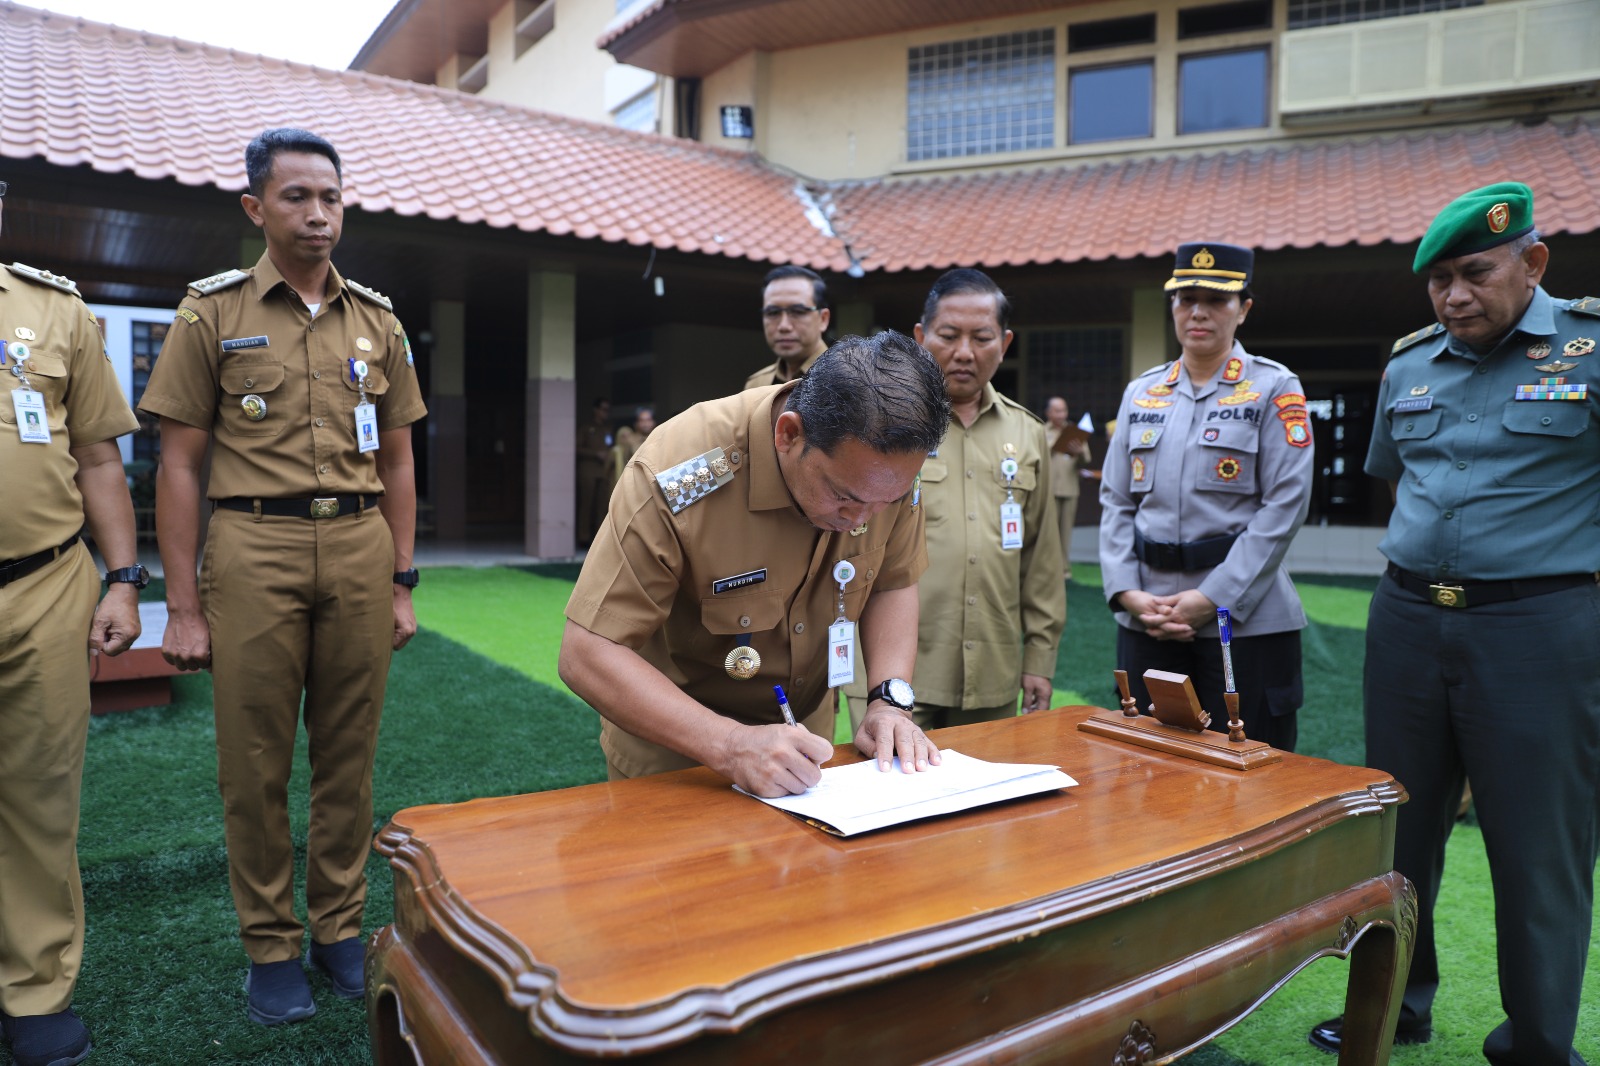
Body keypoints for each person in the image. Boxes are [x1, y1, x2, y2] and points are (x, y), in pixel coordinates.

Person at [139, 128, 426, 1026]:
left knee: (348, 751)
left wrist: (403, 581)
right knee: (254, 760)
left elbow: (403, 465)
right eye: (298, 197)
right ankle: (270, 944)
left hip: (357, 544)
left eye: (331, 197)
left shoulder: (377, 321)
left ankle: (338, 928)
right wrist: (179, 607)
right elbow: (178, 466)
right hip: (252, 547)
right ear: (256, 208)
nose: (318, 213)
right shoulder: (211, 314)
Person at [1308, 183, 1600, 1065]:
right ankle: (1395, 1006)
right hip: (1405, 623)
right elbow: (1399, 481)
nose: (1454, 296)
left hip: (1538, 630)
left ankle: (1540, 1042)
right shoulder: (1409, 366)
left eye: (1474, 273)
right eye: (1438, 281)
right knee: (1397, 828)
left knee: (1536, 845)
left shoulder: (1590, 353)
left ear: (1533, 263)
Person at [560, 331, 949, 798]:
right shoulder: (681, 471)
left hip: (807, 754)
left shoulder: (886, 475)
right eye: (844, 497)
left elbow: (892, 580)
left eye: (889, 501)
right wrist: (730, 745)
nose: (862, 519)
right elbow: (587, 651)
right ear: (788, 434)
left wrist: (889, 701)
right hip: (680, 758)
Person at [0, 183, 143, 1066]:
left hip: (46, 584)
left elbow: (97, 457)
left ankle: (34, 986)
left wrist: (123, 580)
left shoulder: (53, 310)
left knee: (39, 795)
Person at [1099, 242, 1312, 752]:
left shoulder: (1275, 388)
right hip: (1147, 616)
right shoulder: (1142, 393)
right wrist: (1127, 592)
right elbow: (1115, 500)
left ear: (1244, 308)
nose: (1198, 311)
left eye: (1217, 299)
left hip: (1244, 622)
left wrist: (1212, 600)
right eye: (1185, 297)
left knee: (1249, 771)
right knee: (1146, 770)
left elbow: (1285, 505)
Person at [848, 269, 1064, 733]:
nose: (964, 352)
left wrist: (1040, 657)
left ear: (1005, 343)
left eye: (981, 337)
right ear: (921, 336)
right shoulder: (880, 425)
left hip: (993, 668)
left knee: (992, 800)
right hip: (895, 672)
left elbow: (1043, 557)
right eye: (948, 335)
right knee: (898, 795)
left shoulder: (1027, 433)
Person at [744, 265, 830, 390]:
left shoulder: (849, 380)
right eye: (773, 312)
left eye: (798, 311)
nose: (784, 326)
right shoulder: (757, 384)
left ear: (823, 319)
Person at [1045, 396, 1091, 581]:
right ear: (1048, 413)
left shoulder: (1075, 432)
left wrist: (1079, 452)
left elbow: (1086, 459)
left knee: (1065, 532)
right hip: (1049, 490)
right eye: (1057, 411)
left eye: (1063, 410)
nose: (1061, 414)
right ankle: (1048, 569)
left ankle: (1064, 570)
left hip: (1070, 489)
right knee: (1049, 532)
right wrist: (1054, 443)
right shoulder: (1041, 431)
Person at [576, 397, 612, 545]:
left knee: (602, 505)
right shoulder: (586, 428)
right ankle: (583, 537)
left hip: (603, 471)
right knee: (586, 504)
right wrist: (595, 454)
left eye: (607, 410)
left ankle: (598, 538)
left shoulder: (607, 428)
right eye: (603, 409)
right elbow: (577, 448)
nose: (605, 413)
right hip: (588, 470)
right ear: (595, 410)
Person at [607, 405, 654, 492]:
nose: (646, 423)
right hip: (634, 486)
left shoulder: (657, 439)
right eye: (642, 420)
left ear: (653, 422)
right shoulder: (628, 440)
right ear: (636, 424)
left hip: (654, 484)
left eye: (648, 420)